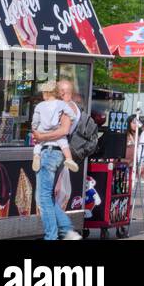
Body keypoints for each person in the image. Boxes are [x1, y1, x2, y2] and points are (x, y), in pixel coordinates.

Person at [31, 77, 81, 240]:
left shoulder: (65, 107)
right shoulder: (61, 107)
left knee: (44, 197)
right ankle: (66, 230)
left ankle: (54, 235)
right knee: (44, 196)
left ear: (63, 92)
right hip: (55, 151)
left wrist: (41, 135)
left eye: (59, 91)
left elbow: (63, 131)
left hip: (51, 151)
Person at [31, 81, 78, 173]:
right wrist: (72, 119)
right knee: (64, 143)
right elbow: (71, 114)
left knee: (38, 144)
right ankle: (69, 159)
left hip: (42, 131)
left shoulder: (39, 106)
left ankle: (36, 155)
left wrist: (34, 128)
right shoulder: (61, 104)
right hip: (55, 128)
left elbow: (35, 120)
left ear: (46, 93)